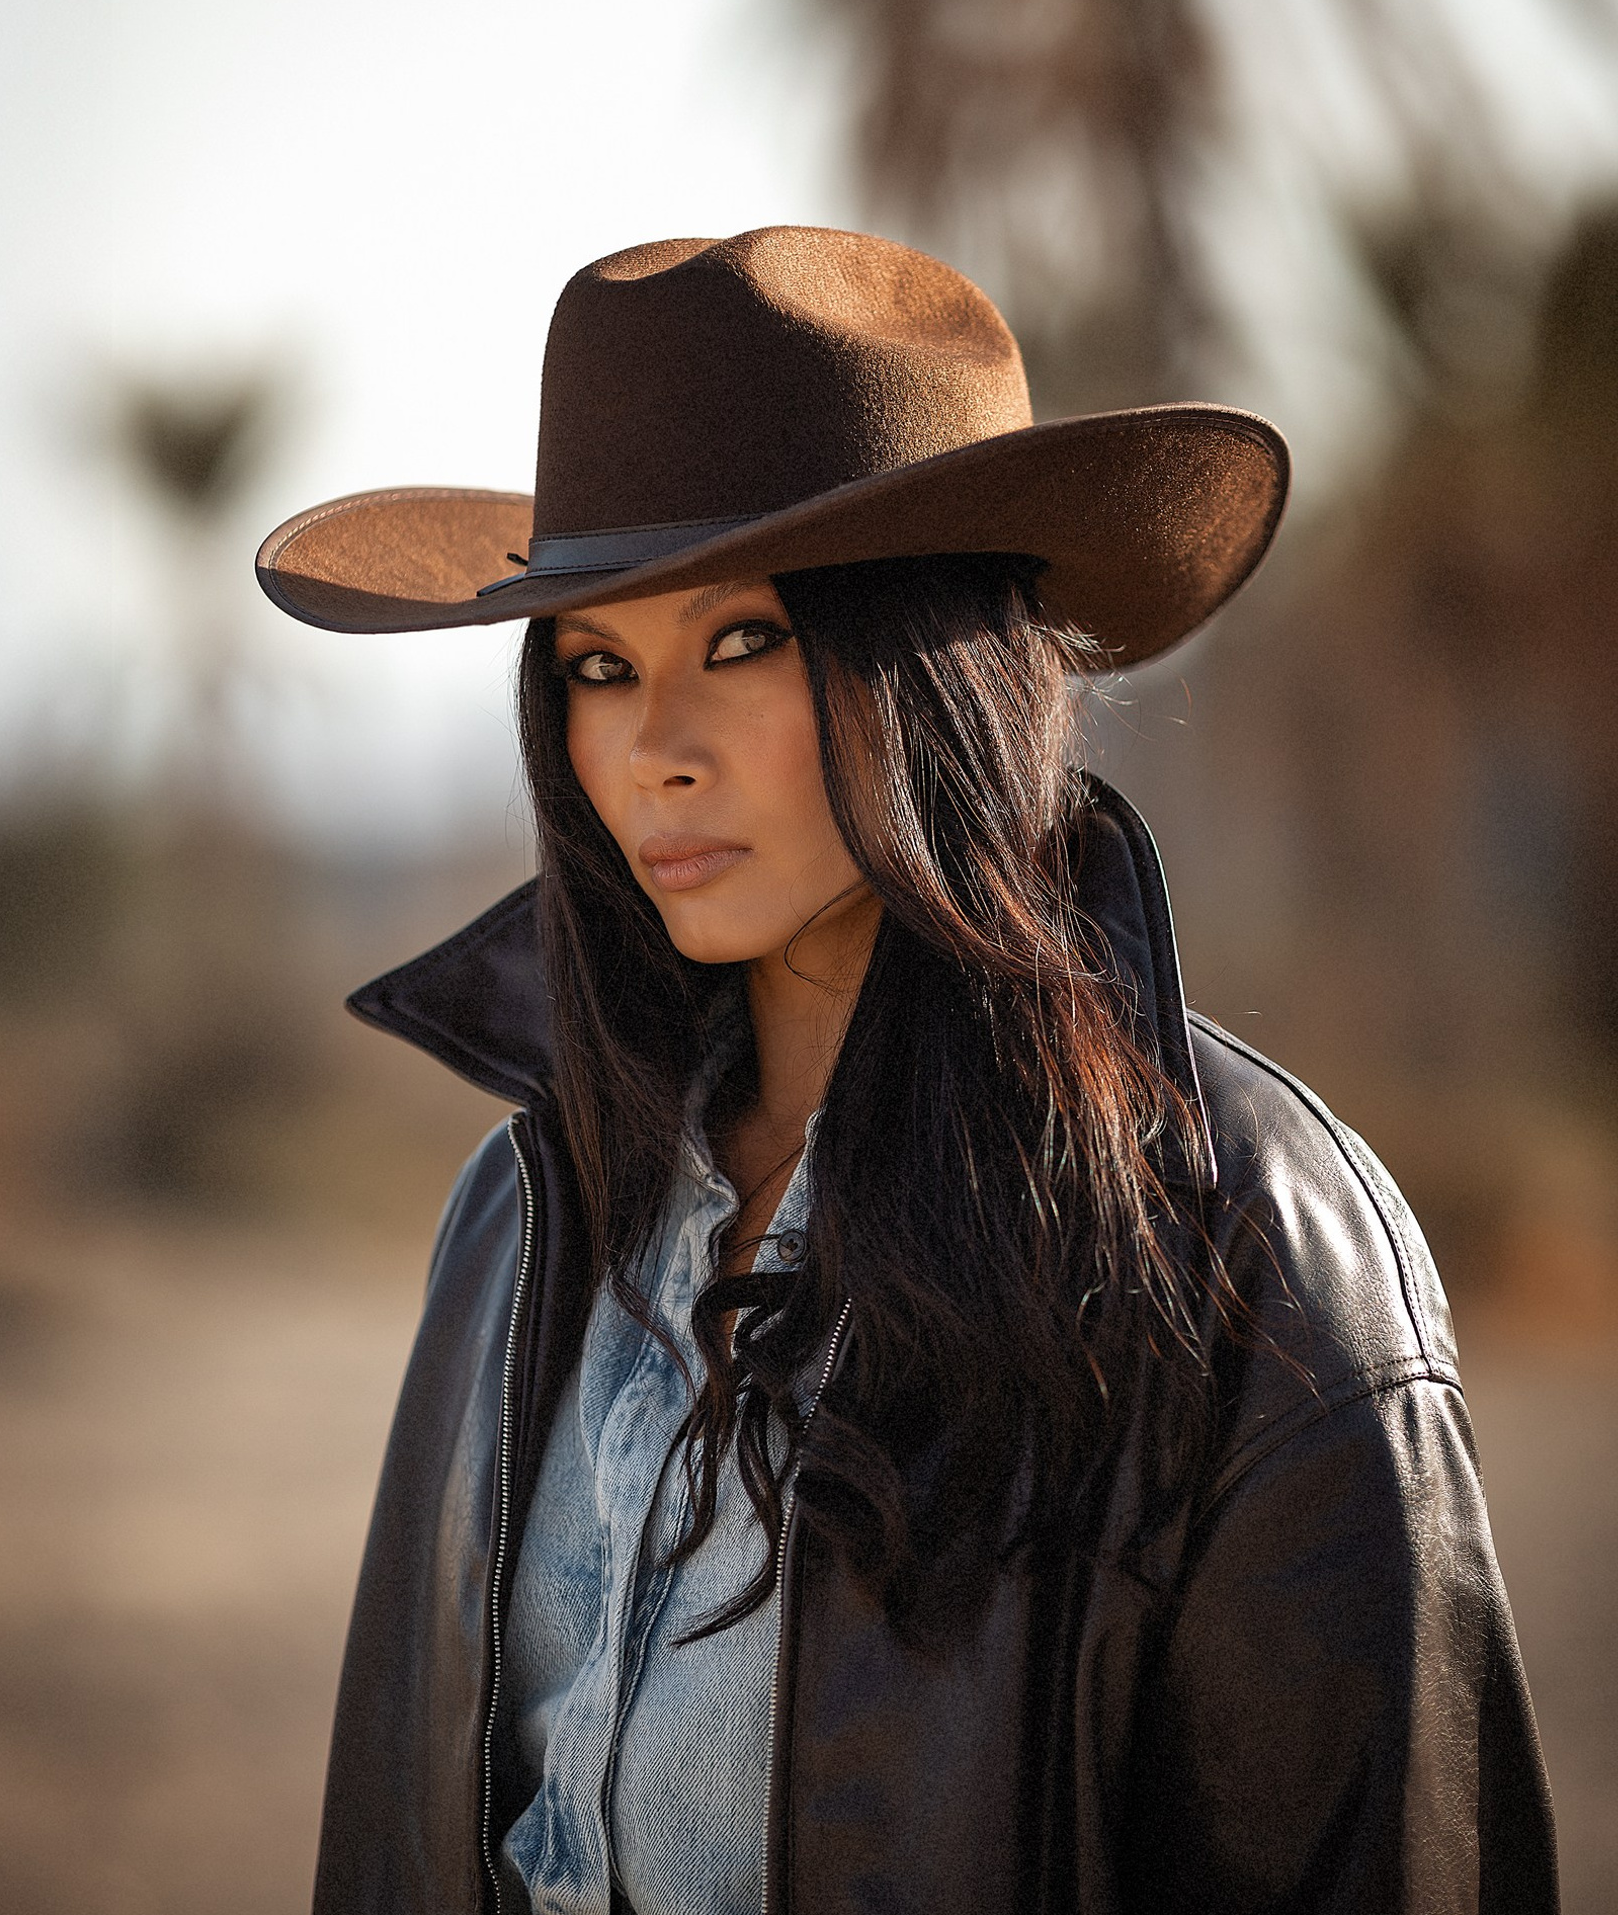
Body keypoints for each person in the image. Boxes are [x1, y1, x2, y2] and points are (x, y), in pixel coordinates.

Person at [255, 227, 1557, 1914]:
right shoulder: (523, 1215)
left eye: (741, 643)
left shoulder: (1251, 1261)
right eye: (598, 665)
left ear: (926, 660)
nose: (653, 750)